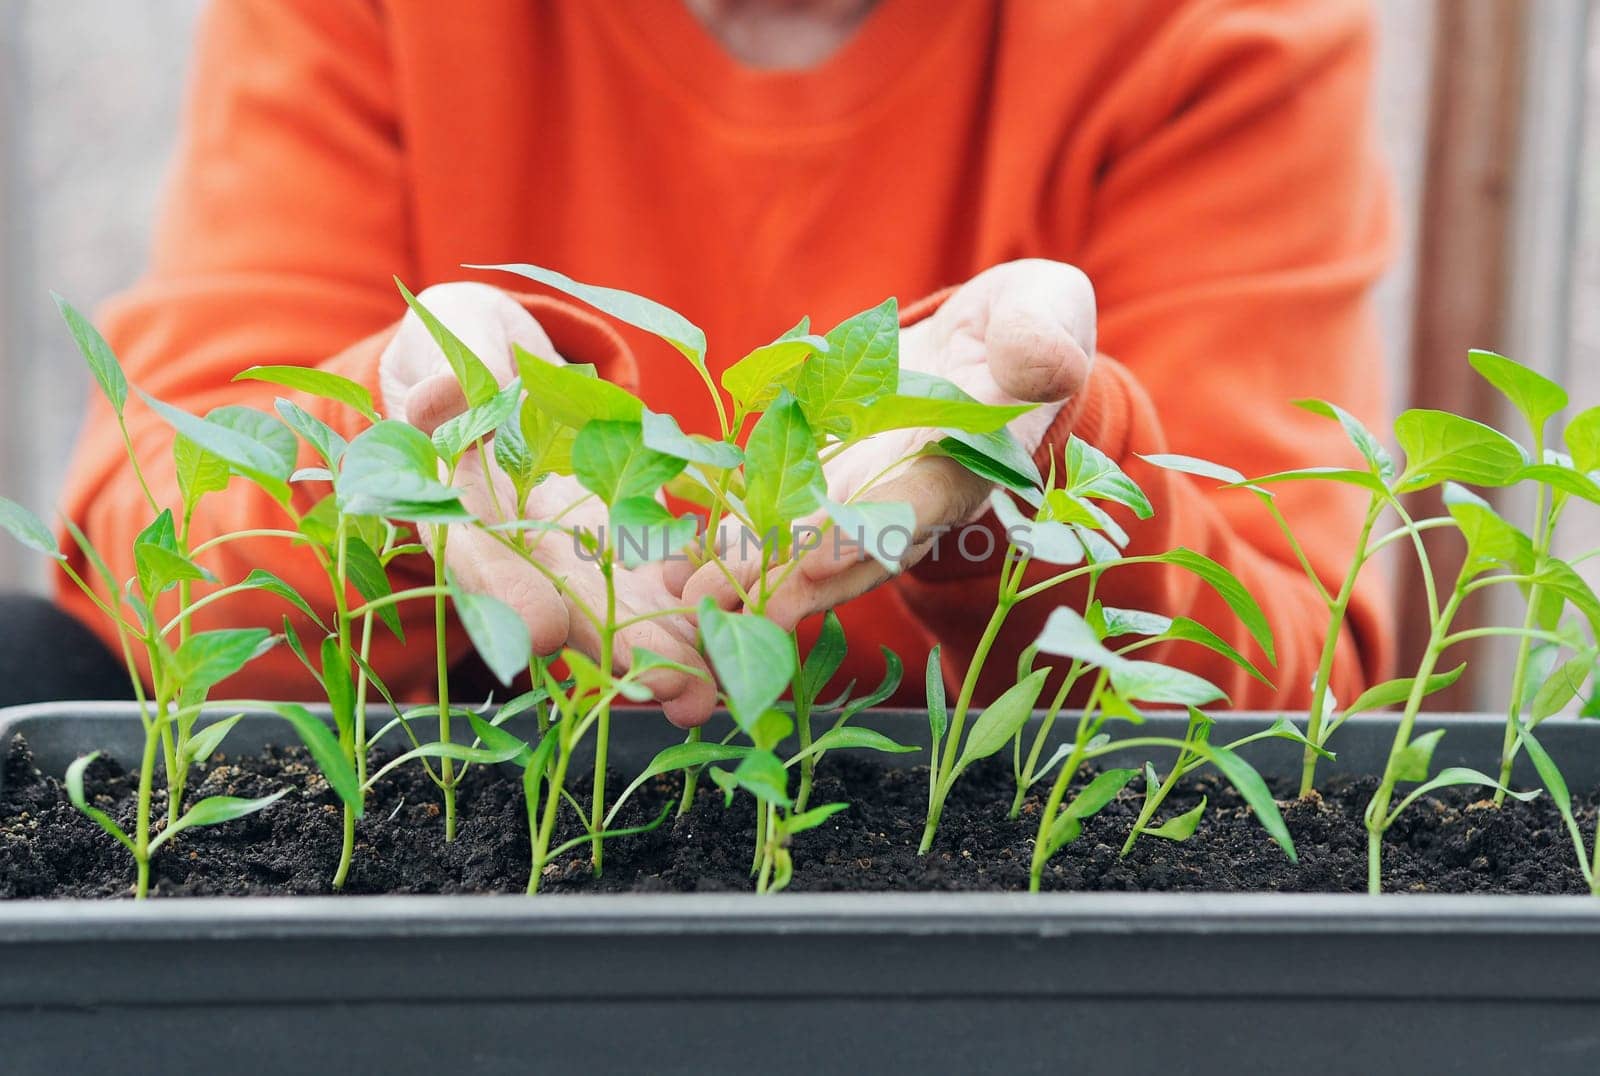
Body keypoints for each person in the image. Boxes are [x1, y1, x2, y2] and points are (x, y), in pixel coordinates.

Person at [35, 0, 1394, 724]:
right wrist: (410, 468)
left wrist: (1027, 477)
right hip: (489, 847)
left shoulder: (1211, 32)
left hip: (953, 896)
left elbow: (1300, 673)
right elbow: (146, 548)